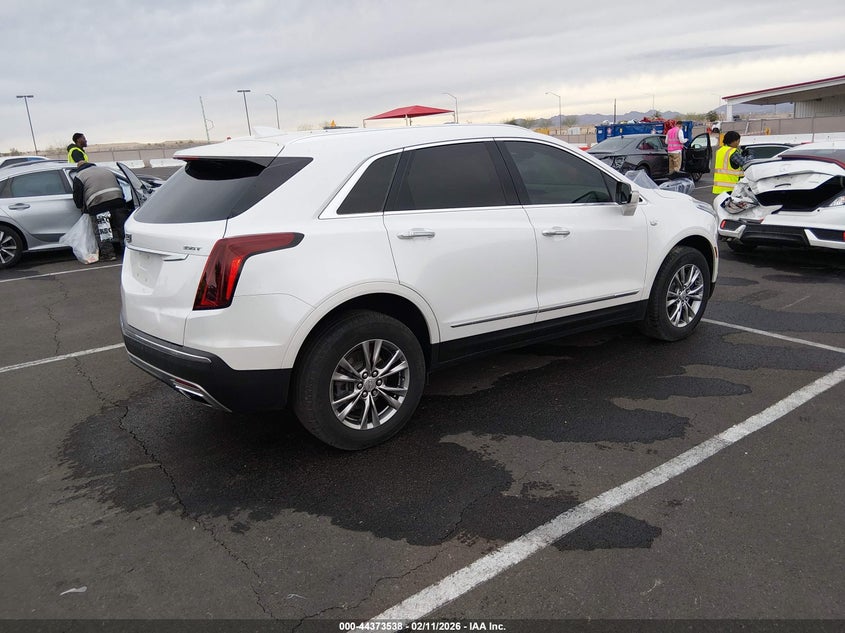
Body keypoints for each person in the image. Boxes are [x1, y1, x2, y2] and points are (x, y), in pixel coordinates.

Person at [72, 162, 129, 261]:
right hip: (117, 201)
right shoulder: (106, 170)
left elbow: (77, 195)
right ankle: (128, 252)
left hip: (98, 205)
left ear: (79, 168)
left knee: (103, 231)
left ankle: (109, 254)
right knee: (122, 228)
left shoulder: (80, 176)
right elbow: (119, 185)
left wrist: (80, 206)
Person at [712, 131, 750, 195]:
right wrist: (750, 155)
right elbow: (745, 163)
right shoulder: (733, 152)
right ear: (733, 141)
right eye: (738, 141)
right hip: (731, 188)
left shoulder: (720, 151)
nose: (738, 143)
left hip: (719, 188)